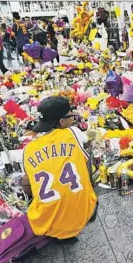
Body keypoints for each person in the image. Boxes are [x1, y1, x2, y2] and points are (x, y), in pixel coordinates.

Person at [22, 96, 97, 240]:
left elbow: (28, 185)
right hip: (84, 212)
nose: (73, 119)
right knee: (85, 158)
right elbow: (87, 140)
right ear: (62, 122)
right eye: (71, 116)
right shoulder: (73, 133)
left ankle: (57, 231)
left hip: (46, 224)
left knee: (28, 182)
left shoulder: (27, 150)